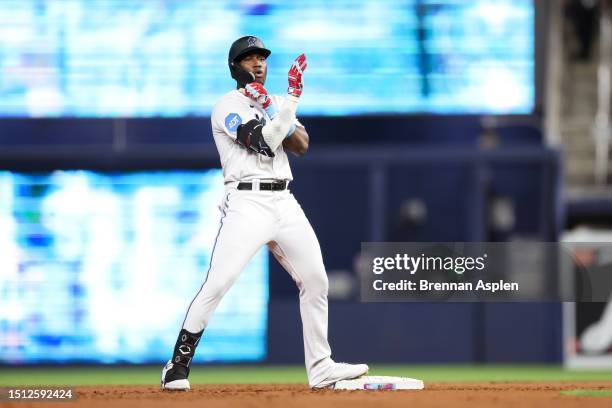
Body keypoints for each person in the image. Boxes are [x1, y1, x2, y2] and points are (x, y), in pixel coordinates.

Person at [161, 36, 368, 391]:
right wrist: (290, 103)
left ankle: (321, 368)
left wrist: (278, 109)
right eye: (248, 58)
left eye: (261, 57)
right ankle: (176, 366)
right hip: (247, 202)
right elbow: (262, 142)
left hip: (284, 200)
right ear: (234, 67)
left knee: (316, 280)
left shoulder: (272, 103)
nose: (257, 63)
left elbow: (301, 145)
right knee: (219, 282)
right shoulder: (227, 105)